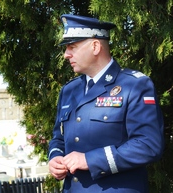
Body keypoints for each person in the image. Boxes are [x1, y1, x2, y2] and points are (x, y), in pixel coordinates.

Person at [48, 14, 164, 192]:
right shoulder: (69, 90)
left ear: (95, 46)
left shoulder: (135, 85)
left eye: (72, 47)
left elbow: (148, 144)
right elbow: (59, 138)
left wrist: (90, 159)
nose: (66, 54)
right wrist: (55, 158)